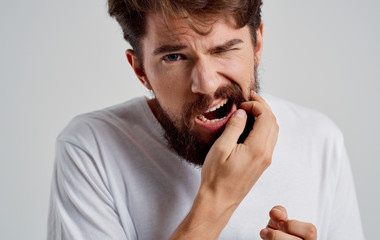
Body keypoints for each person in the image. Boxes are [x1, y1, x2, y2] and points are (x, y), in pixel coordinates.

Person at [47, 0, 365, 239]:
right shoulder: (90, 148)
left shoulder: (320, 139)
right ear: (140, 69)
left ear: (257, 44)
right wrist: (217, 199)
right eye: (174, 57)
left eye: (225, 49)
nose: (207, 84)